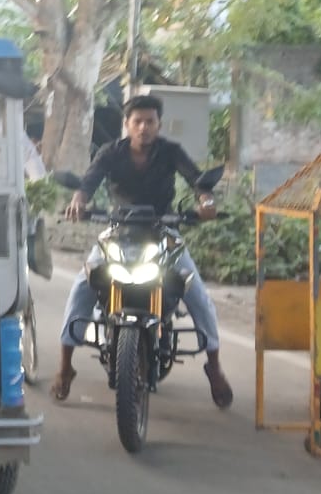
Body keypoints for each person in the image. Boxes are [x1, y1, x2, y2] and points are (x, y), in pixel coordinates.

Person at [51, 94, 230, 408]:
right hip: (118, 232)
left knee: (198, 294)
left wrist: (206, 202)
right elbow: (89, 181)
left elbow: (196, 180)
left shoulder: (171, 152)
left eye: (150, 121)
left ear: (159, 124)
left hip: (164, 231)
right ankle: (65, 366)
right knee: (82, 286)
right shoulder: (111, 152)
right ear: (127, 124)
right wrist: (79, 200)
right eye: (138, 122)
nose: (144, 128)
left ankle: (214, 367)